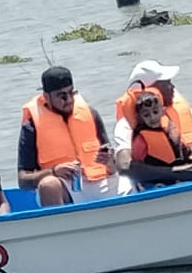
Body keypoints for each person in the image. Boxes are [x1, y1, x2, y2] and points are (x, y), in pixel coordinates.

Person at [17, 65, 127, 207]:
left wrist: (110, 161)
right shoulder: (31, 126)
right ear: (46, 97)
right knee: (48, 185)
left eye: (71, 93)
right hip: (66, 188)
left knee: (134, 178)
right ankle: (64, 227)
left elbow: (114, 166)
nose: (68, 99)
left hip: (101, 181)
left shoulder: (91, 114)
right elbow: (23, 181)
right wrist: (54, 171)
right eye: (62, 95)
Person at [128, 91, 192, 189]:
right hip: (155, 184)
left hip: (178, 179)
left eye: (155, 112)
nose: (152, 117)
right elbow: (137, 168)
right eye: (146, 115)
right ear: (140, 118)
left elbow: (189, 153)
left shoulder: (170, 129)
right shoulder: (141, 140)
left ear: (163, 111)